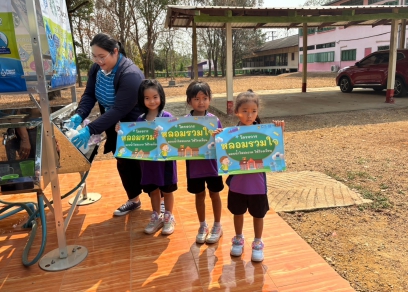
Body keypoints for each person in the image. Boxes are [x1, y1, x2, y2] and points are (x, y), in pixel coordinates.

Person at [69, 33, 144, 216]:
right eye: (94, 56)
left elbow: (119, 109)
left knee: (144, 163)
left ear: (115, 52)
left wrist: (90, 129)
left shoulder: (130, 75)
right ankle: (134, 199)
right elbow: (89, 95)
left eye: (102, 56)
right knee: (124, 163)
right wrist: (80, 115)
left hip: (135, 125)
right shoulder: (97, 69)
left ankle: (163, 202)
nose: (98, 61)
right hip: (114, 124)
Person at [215, 89, 285, 262]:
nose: (249, 115)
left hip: (258, 186)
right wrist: (217, 138)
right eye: (245, 111)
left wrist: (279, 129)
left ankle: (258, 242)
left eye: (253, 111)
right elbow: (222, 153)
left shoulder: (265, 132)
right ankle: (238, 239)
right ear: (236, 112)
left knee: (258, 215)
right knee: (237, 213)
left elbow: (275, 148)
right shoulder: (229, 134)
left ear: (258, 112)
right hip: (238, 185)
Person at [115, 79, 177, 234]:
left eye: (155, 97)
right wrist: (121, 132)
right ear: (142, 100)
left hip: (166, 163)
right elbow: (133, 139)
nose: (152, 101)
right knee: (153, 191)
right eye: (147, 98)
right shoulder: (140, 120)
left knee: (167, 191)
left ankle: (168, 217)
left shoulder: (168, 117)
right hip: (148, 164)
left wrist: (165, 133)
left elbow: (176, 138)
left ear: (161, 97)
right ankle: (156, 216)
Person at [185, 81, 224, 244]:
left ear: (210, 99)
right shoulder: (184, 122)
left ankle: (217, 225)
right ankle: (202, 226)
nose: (201, 102)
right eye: (196, 99)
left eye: (205, 98)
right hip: (194, 167)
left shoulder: (214, 120)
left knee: (215, 194)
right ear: (189, 101)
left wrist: (221, 135)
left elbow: (223, 144)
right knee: (199, 195)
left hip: (212, 167)